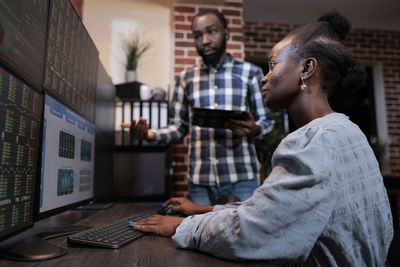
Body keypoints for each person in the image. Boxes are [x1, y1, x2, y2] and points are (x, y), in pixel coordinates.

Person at [131, 11, 394, 265]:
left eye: (273, 64)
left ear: (307, 68)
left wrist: (183, 226)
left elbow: (254, 231)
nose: (264, 78)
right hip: (204, 179)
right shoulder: (347, 129)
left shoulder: (312, 141)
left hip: (240, 178)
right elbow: (275, 211)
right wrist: (204, 210)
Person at [125, 9, 273, 205]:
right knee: (199, 235)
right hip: (200, 183)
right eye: (198, 35)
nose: (204, 40)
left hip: (242, 179)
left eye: (211, 32)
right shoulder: (186, 77)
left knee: (245, 234)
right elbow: (178, 127)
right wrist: (149, 135)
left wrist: (255, 129)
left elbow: (267, 121)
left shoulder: (250, 72)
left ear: (226, 34)